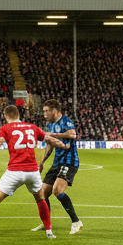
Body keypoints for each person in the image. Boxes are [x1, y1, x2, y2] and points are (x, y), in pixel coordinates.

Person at [0, 104, 67, 243]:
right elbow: (49, 139)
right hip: (33, 172)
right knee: (40, 198)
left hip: (15, 171)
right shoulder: (32, 127)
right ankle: (49, 232)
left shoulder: (5, 128)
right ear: (18, 114)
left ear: (6, 116)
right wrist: (62, 145)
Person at [33, 99, 82, 234]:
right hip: (57, 163)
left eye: (47, 111)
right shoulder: (50, 124)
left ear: (55, 110)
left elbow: (72, 134)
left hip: (69, 162)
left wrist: (53, 135)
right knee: (42, 193)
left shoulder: (66, 121)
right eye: (44, 111)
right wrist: (41, 161)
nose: (45, 114)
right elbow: (50, 145)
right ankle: (46, 223)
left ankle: (76, 222)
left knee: (57, 190)